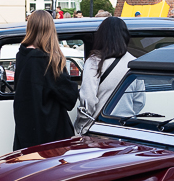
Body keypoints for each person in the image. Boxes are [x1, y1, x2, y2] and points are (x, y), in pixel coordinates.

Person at [12, 10, 78, 150]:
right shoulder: (47, 60)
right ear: (50, 30)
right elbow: (70, 97)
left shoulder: (22, 55)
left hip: (25, 133)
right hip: (51, 137)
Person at [75, 16, 142, 134]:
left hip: (100, 128)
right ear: (125, 36)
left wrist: (81, 124)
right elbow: (139, 102)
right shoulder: (135, 62)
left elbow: (88, 99)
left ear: (101, 37)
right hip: (127, 128)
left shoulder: (94, 61)